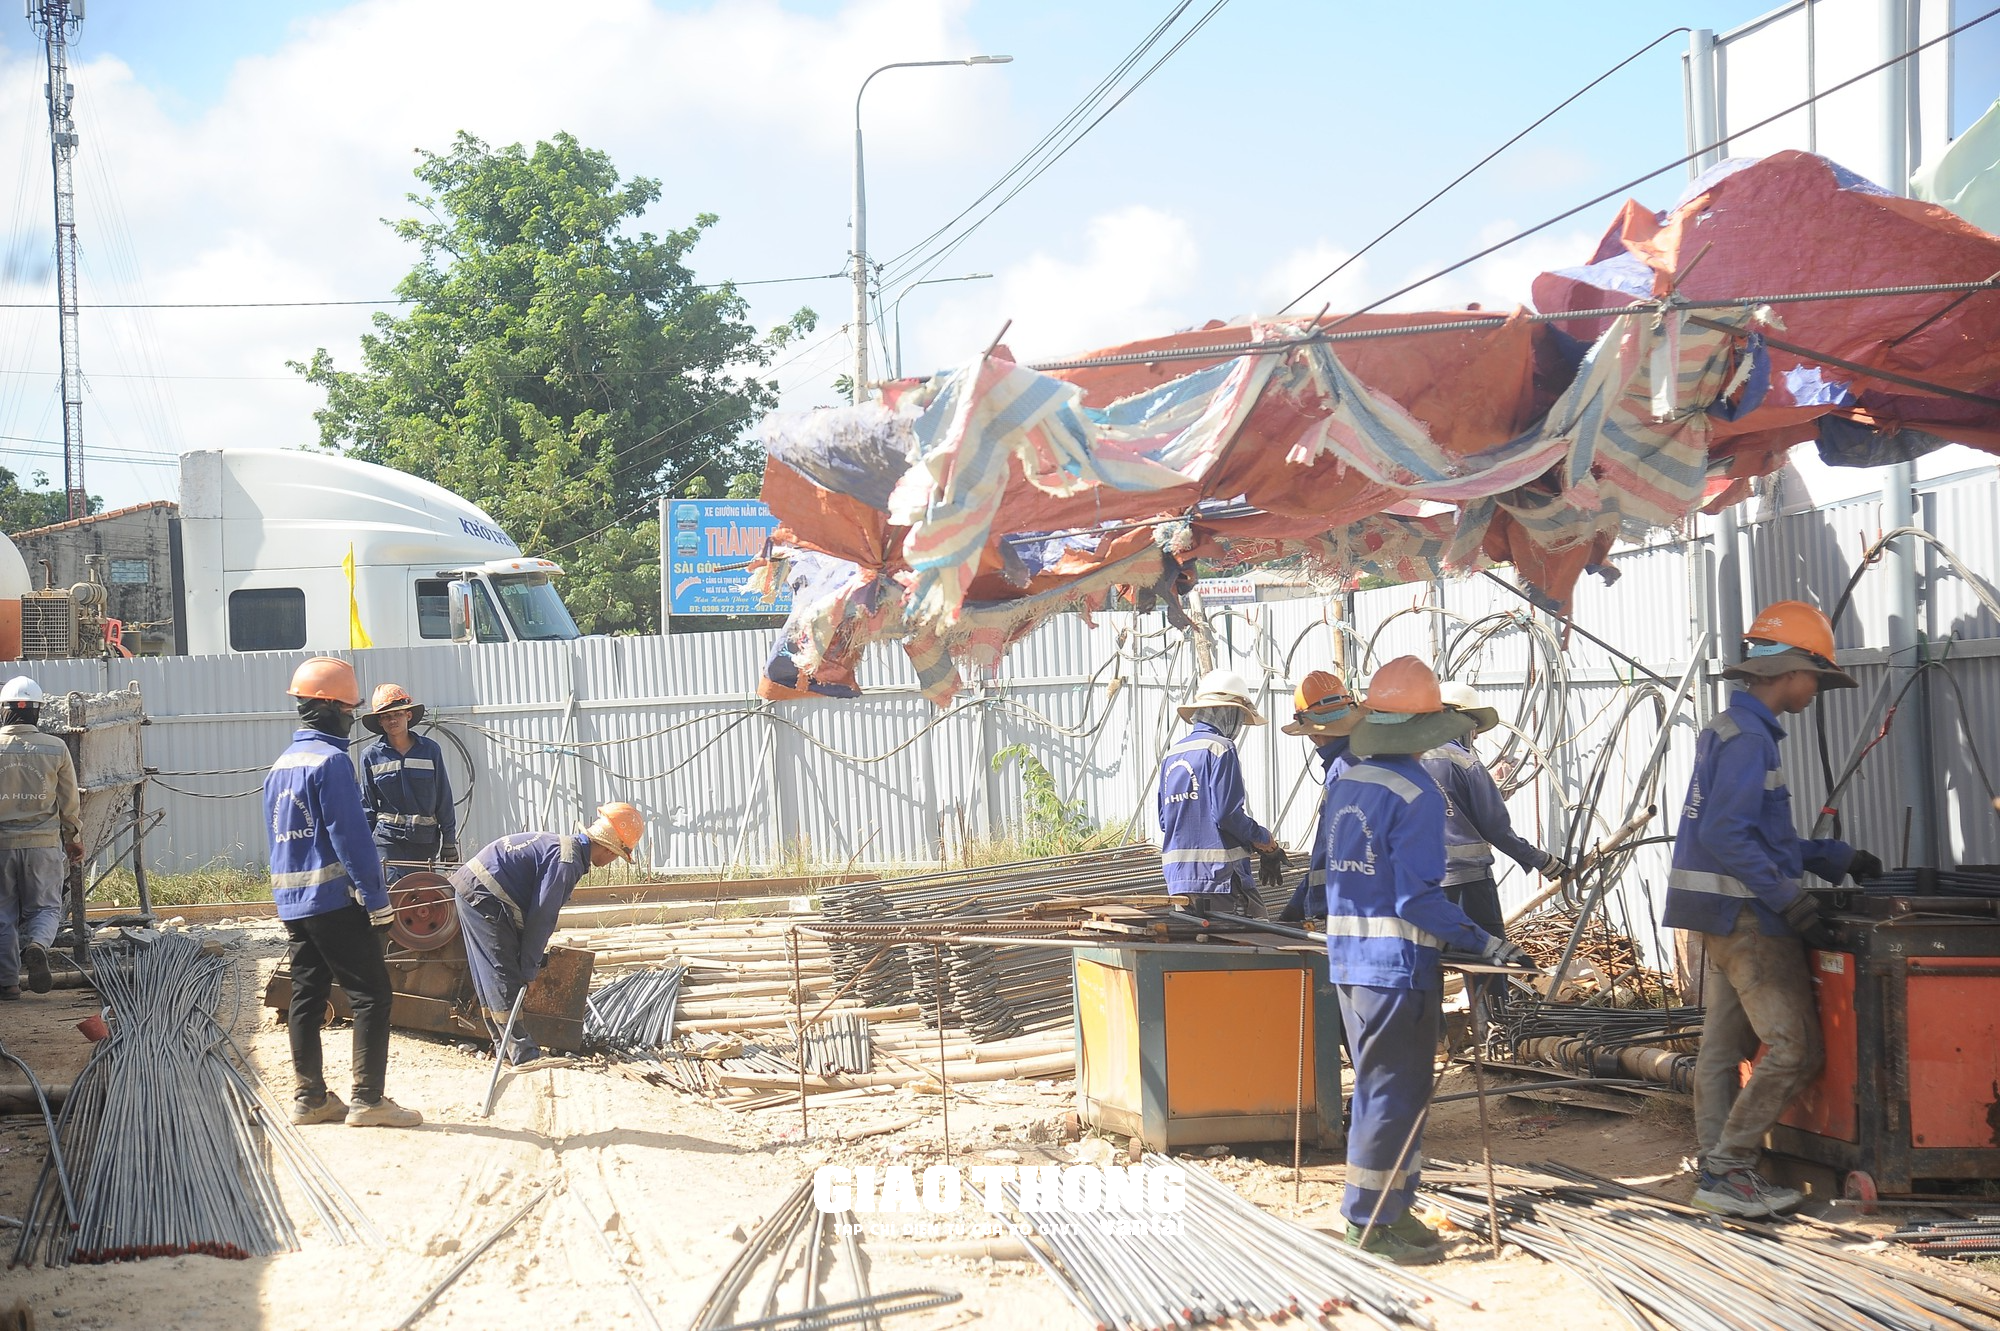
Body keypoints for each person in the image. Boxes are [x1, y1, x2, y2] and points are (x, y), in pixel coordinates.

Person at [1667, 601, 1882, 1219]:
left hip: (1718, 914)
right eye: (1816, 676)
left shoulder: (1731, 730)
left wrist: (1835, 857)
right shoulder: (1750, 740)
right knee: (1794, 1049)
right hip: (1749, 918)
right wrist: (1790, 897)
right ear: (1791, 671)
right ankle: (1730, 1169)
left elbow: (1762, 836)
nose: (1817, 688)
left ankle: (1715, 1169)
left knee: (1720, 1048)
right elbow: (1729, 836)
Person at [1322, 656, 1531, 1264]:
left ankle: (1392, 1206)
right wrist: (1485, 942)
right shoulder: (1414, 794)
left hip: (1349, 964)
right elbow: (1418, 899)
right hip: (1396, 967)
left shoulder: (1348, 780)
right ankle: (1370, 1220)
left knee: (1383, 1092)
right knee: (1395, 1093)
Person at [264, 657, 422, 1129]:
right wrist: (378, 903)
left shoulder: (282, 765)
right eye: (350, 711)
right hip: (333, 900)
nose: (353, 719)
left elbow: (278, 839)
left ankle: (311, 1098)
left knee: (306, 997)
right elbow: (351, 838)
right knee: (372, 994)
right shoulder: (331, 762)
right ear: (332, 709)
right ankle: (368, 1100)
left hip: (293, 903)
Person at [450, 803, 645, 1066]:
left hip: (474, 888)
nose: (612, 860)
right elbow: (542, 918)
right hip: (485, 896)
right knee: (502, 973)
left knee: (490, 975)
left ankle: (503, 1048)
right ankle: (523, 1055)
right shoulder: (567, 861)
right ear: (609, 846)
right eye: (617, 854)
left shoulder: (567, 850)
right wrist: (529, 969)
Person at [1421, 680, 1568, 1003]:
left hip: (1419, 886)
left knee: (1426, 963)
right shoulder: (1465, 763)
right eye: (1473, 726)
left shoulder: (1404, 759)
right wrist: (1543, 861)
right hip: (1468, 882)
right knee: (1487, 960)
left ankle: (1433, 1039)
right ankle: (1496, 1032)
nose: (1474, 734)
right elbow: (1496, 828)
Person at [1157, 668, 1283, 919]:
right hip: (1222, 879)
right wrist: (1262, 838)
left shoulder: (1172, 755)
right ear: (1228, 713)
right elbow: (1226, 815)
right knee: (1259, 945)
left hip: (1180, 882)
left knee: (1197, 950)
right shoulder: (1221, 748)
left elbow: (1164, 820)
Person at [0, 677, 82, 1000]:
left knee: (2, 914)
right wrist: (73, 838)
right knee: (47, 908)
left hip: (2, 846)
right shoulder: (55, 748)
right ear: (37, 712)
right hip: (43, 846)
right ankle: (37, 944)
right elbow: (68, 801)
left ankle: (8, 984)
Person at [1277, 671, 1365, 923]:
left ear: (1315, 732)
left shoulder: (1344, 767)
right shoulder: (1350, 760)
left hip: (1348, 906)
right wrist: (1299, 901)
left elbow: (1345, 849)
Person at [359, 684, 460, 882]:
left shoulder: (430, 751)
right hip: (387, 840)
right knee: (389, 894)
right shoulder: (370, 756)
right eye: (386, 716)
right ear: (380, 721)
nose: (392, 720)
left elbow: (444, 798)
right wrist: (363, 849)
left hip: (424, 841)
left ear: (408, 715)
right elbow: (367, 807)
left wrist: (449, 841)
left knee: (420, 897)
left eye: (397, 713)